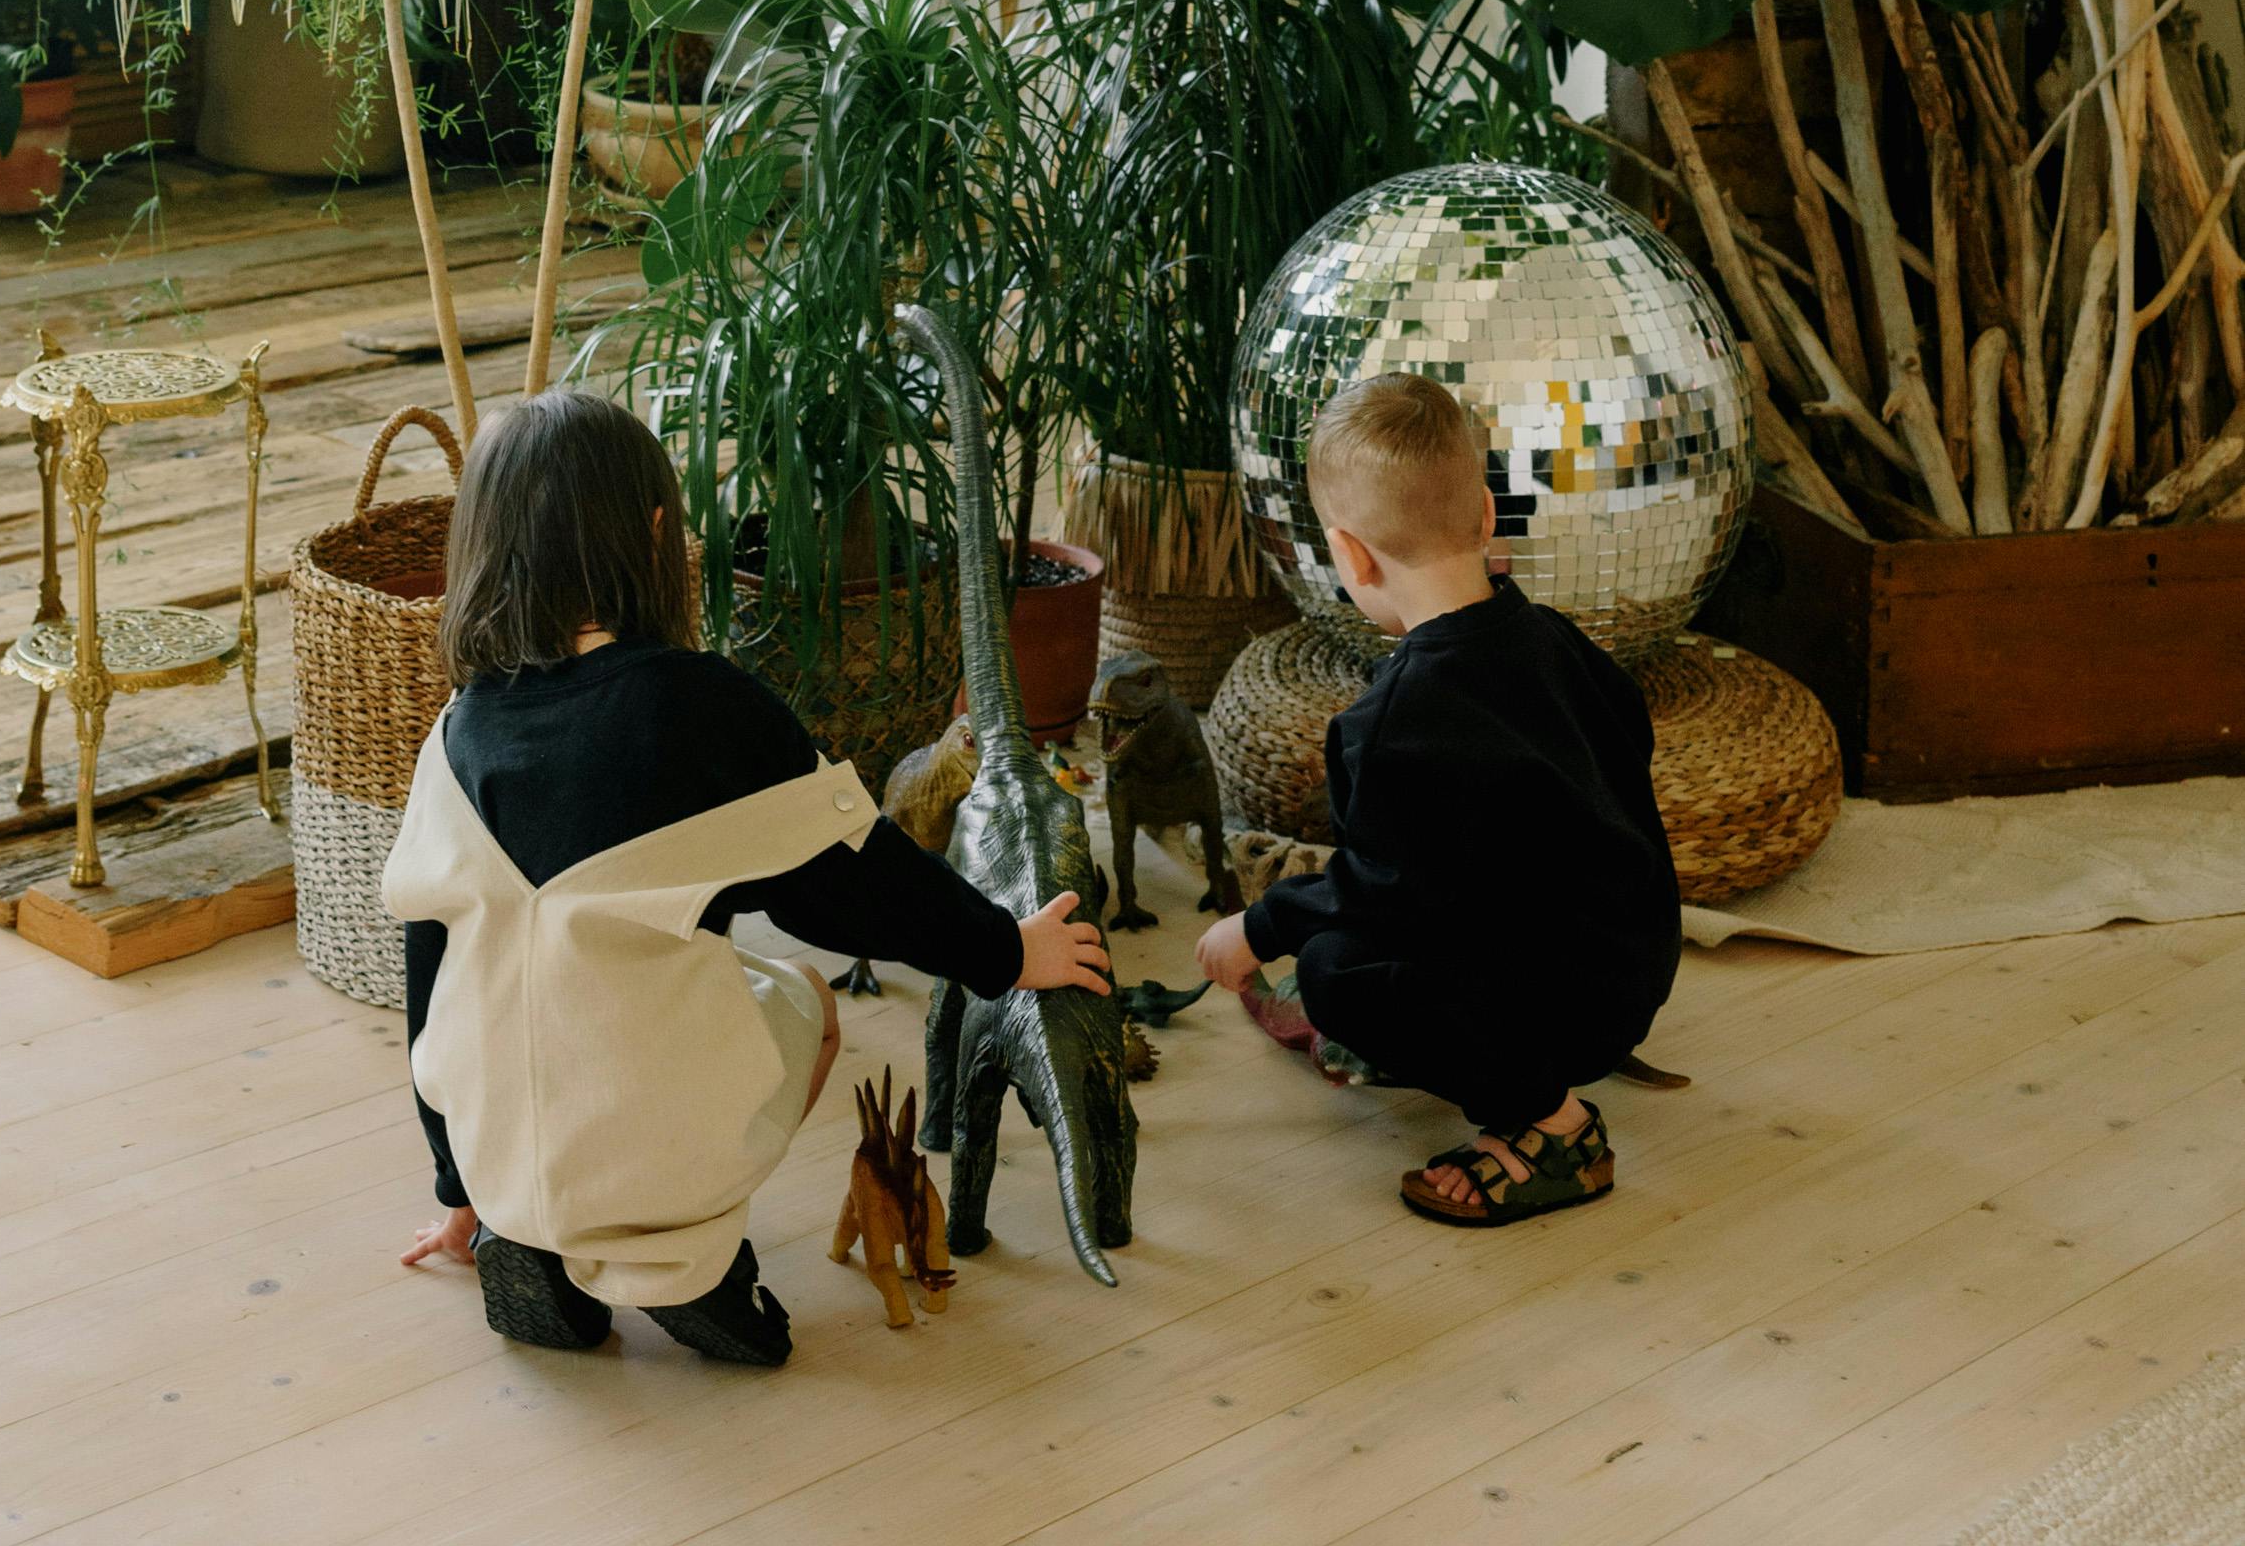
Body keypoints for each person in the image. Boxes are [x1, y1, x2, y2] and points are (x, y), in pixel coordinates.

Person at [384, 383, 1112, 1363]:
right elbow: (854, 882)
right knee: (801, 998)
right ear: (654, 534)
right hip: (645, 1142)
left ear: (476, 549)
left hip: (493, 1137)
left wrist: (456, 1182)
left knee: (512, 1001)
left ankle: (524, 1232)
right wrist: (1004, 950)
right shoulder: (701, 708)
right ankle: (687, 1260)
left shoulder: (454, 733)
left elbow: (427, 971)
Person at [1194, 368, 1681, 1227]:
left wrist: (1261, 927)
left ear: (1349, 556)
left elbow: (1383, 890)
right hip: (1634, 970)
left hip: (1558, 1016)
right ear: (1487, 514)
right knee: (1393, 921)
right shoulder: (1559, 642)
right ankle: (1514, 1054)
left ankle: (1558, 1129)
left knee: (1333, 970)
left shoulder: (1389, 723)